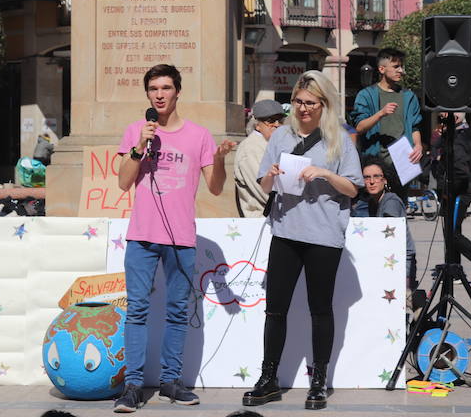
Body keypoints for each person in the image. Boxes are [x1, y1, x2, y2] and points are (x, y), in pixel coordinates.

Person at [113, 64, 236, 413]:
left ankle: (171, 381)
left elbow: (214, 187)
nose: (160, 94)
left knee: (177, 311)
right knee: (136, 311)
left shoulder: (199, 136)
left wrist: (219, 159)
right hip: (141, 236)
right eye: (154, 89)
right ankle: (133, 386)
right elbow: (123, 182)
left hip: (181, 238)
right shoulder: (137, 131)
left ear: (178, 91)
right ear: (148, 94)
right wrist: (140, 146)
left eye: (166, 87)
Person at [243, 71, 362, 411]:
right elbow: (264, 186)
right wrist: (272, 175)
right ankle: (268, 378)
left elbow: (354, 189)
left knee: (320, 309)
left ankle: (319, 381)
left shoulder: (339, 139)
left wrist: (324, 173)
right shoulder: (280, 135)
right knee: (275, 309)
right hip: (285, 231)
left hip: (324, 236)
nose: (303, 109)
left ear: (324, 104)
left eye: (310, 103)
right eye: (298, 102)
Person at [351, 48, 422, 198]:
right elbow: (359, 127)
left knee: (399, 208)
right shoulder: (366, 95)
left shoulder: (409, 96)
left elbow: (415, 126)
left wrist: (418, 146)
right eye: (396, 67)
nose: (401, 71)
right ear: (382, 69)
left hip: (403, 162)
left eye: (402, 67)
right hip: (375, 162)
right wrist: (380, 114)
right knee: (373, 210)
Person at [432, 112, 471, 282]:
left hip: (458, 190)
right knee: (451, 231)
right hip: (450, 190)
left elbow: (460, 169)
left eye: (451, 112)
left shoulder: (461, 136)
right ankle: (454, 271)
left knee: (452, 233)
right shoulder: (448, 135)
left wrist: (446, 187)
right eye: (441, 113)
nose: (444, 115)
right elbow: (437, 162)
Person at [357, 158, 416, 289]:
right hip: (385, 258)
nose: (372, 181)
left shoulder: (391, 201)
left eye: (377, 177)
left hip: (399, 261)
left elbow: (388, 236)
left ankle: (414, 298)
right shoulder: (370, 203)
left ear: (385, 180)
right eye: (367, 177)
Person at [234, 99, 285, 218]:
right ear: (257, 125)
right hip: (261, 222)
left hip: (277, 218)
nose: (277, 124)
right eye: (270, 121)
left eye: (280, 120)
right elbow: (263, 190)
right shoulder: (251, 148)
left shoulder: (272, 144)